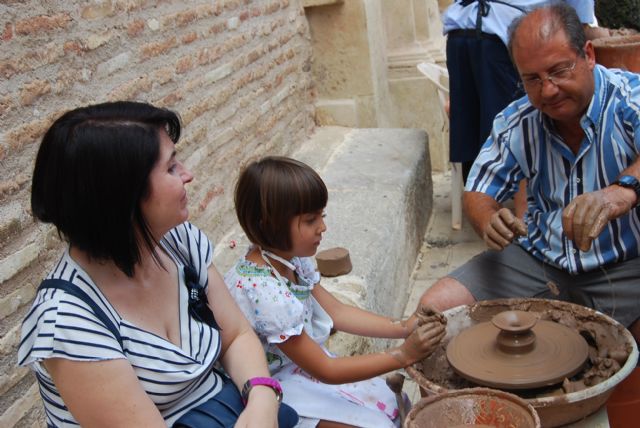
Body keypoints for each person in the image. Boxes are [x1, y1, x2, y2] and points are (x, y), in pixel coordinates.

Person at [17, 101, 296, 427]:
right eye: (171, 168)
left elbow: (235, 335)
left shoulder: (177, 241)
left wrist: (261, 395)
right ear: (122, 195)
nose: (188, 175)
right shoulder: (67, 320)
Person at [420, 3, 640, 345]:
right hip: (539, 259)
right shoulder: (516, 121)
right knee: (431, 313)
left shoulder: (629, 97)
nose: (548, 89)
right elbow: (478, 191)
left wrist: (620, 192)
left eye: (559, 70)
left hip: (627, 266)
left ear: (588, 54)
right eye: (532, 79)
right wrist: (488, 220)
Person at [225, 156, 447, 428]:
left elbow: (337, 313)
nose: (323, 227)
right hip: (273, 388)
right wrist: (403, 355)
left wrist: (404, 326)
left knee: (392, 402)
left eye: (322, 216)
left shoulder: (291, 259)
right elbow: (326, 370)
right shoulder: (264, 292)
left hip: (304, 368)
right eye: (310, 220)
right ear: (268, 224)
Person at [442, 0, 597, 183]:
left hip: (461, 29)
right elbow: (579, 30)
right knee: (515, 129)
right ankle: (518, 205)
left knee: (474, 135)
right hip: (499, 35)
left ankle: (484, 194)